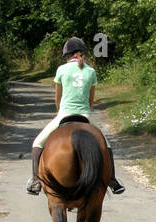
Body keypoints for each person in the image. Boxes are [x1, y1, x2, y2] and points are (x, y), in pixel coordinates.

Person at [26, 37, 125, 196]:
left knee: (37, 143)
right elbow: (91, 100)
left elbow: (58, 97)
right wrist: (85, 111)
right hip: (85, 115)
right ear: (82, 53)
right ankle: (112, 181)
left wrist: (60, 111)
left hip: (64, 114)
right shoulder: (91, 72)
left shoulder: (61, 70)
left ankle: (36, 181)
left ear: (68, 55)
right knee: (106, 145)